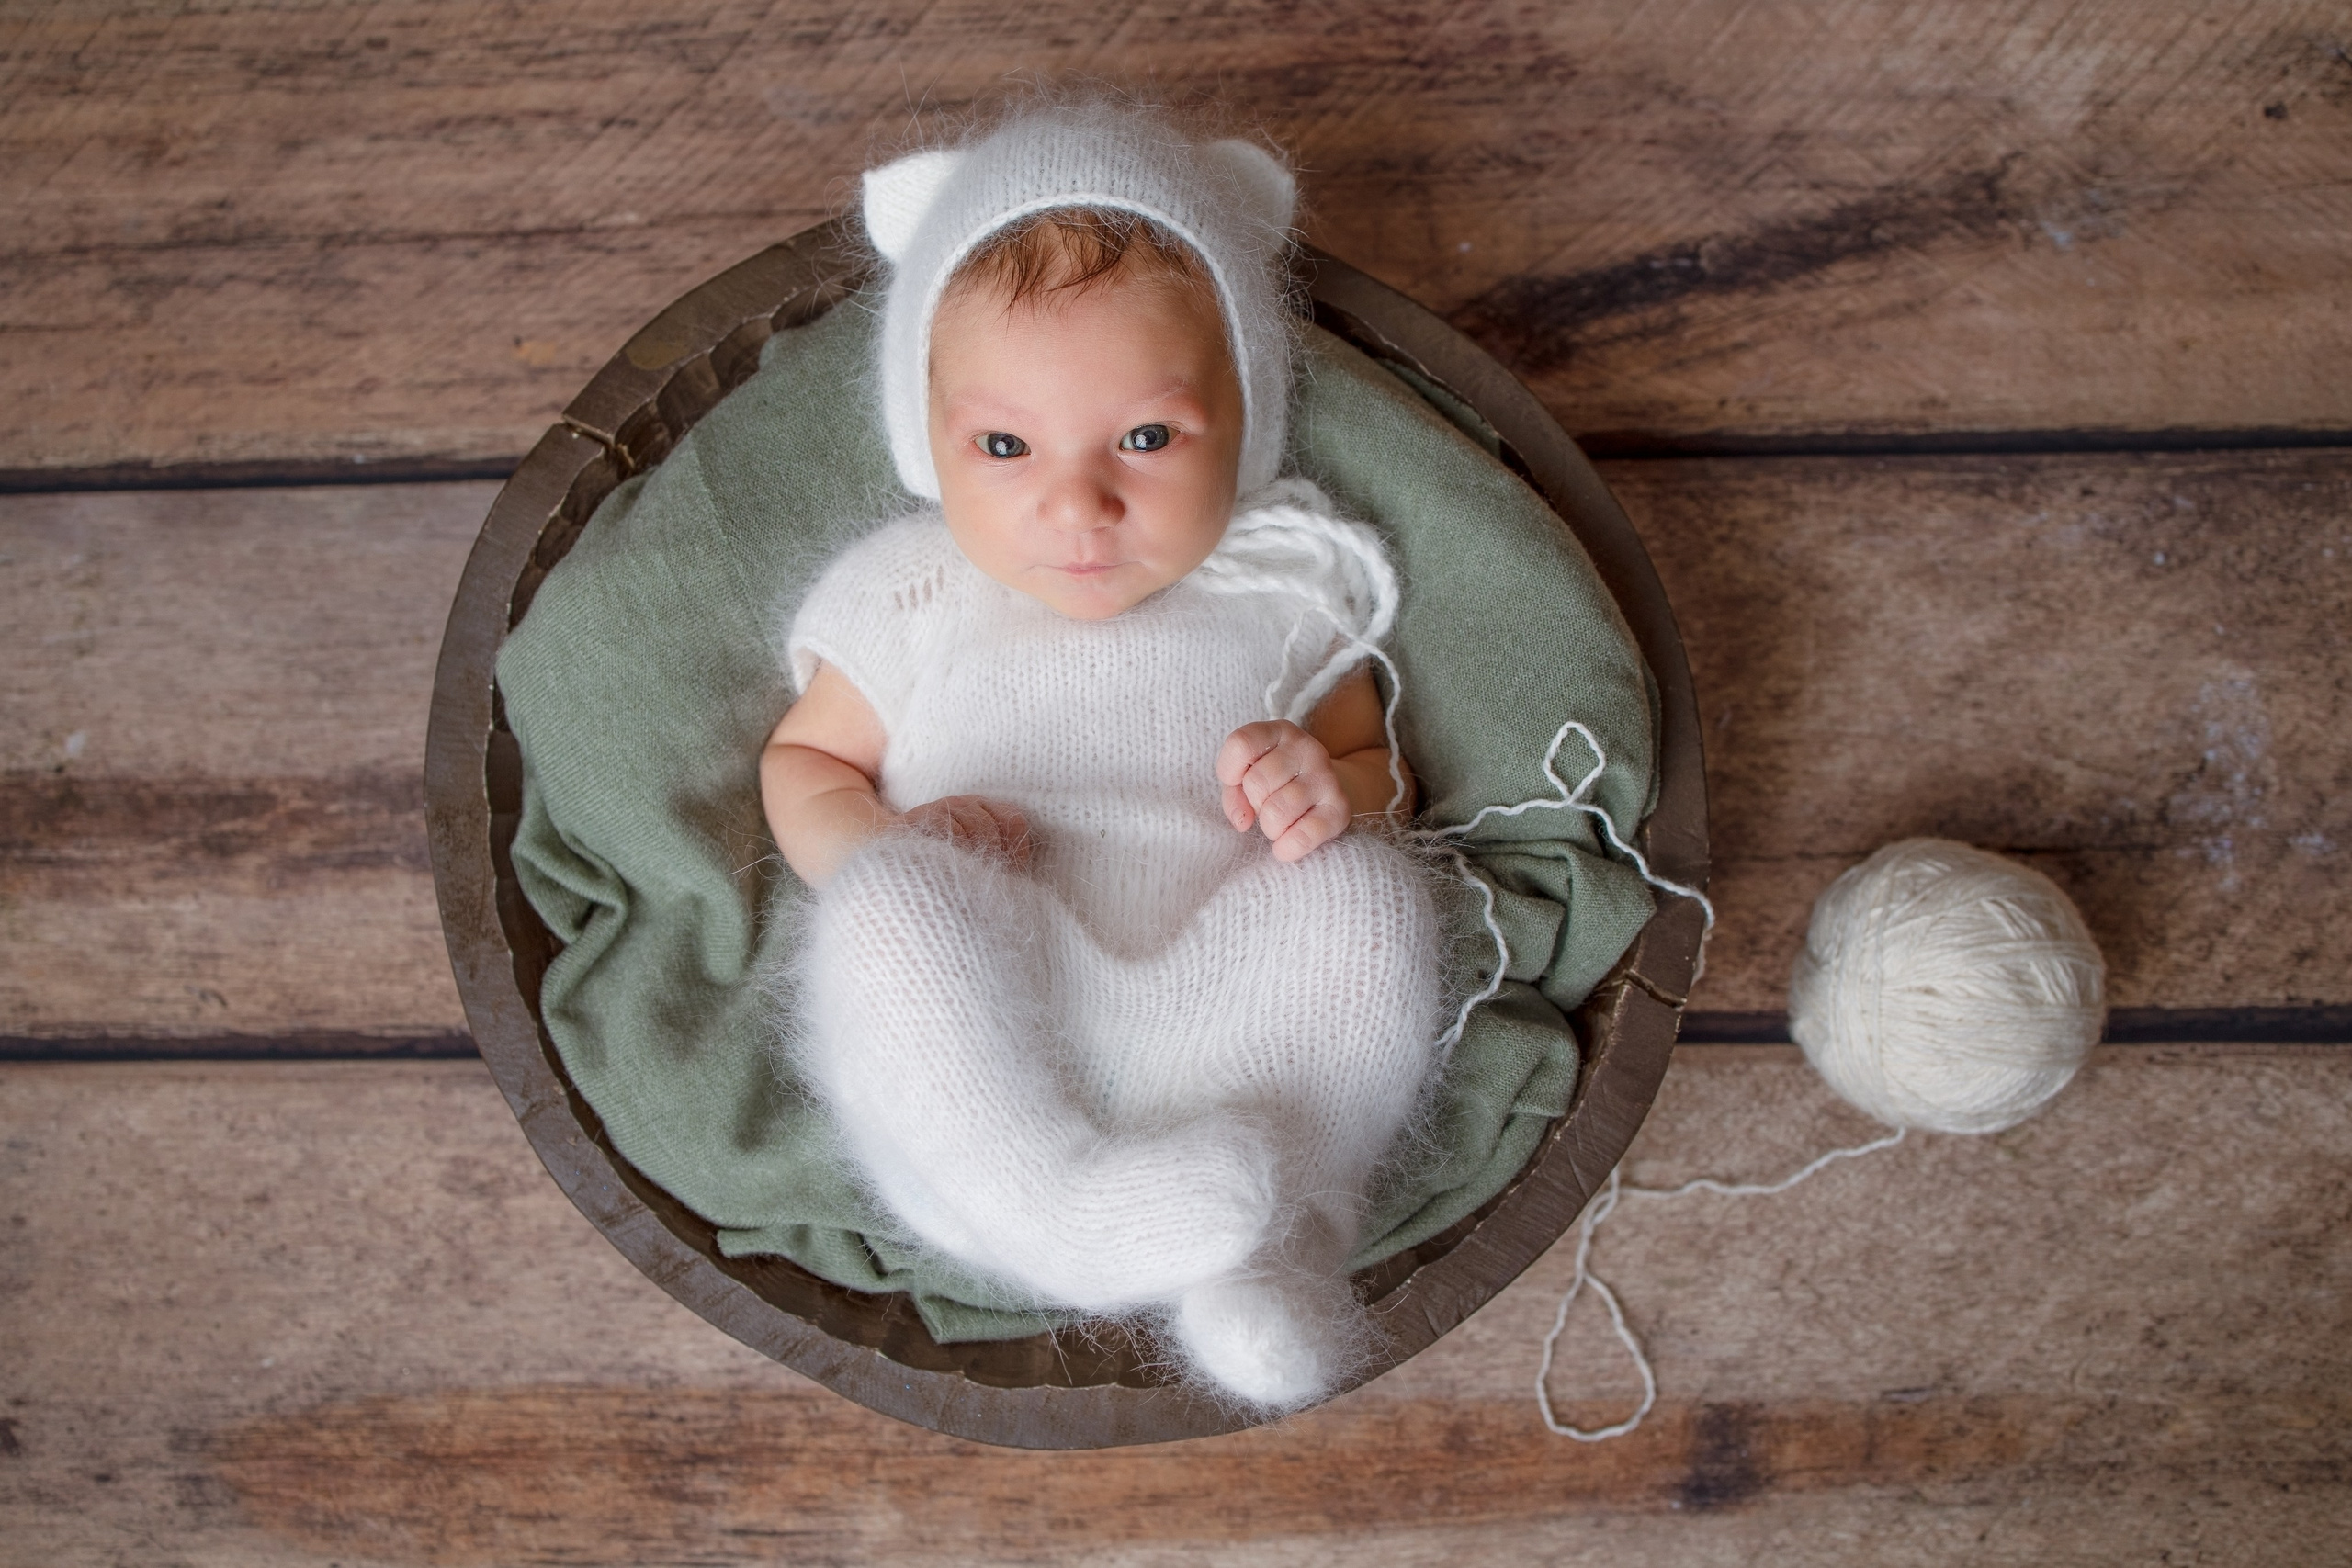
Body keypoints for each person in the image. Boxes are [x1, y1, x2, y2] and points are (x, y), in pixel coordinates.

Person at [759, 97, 1445, 1406]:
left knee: (1366, 898)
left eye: (1145, 438)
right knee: (888, 909)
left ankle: (1281, 1237)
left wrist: (1325, 785)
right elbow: (804, 768)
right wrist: (884, 844)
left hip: (1226, 1001)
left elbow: (1379, 777)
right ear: (926, 438)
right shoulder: (913, 592)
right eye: (1004, 446)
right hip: (1001, 1021)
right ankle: (1054, 1213)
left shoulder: (1288, 587)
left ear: (1246, 415)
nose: (1077, 503)